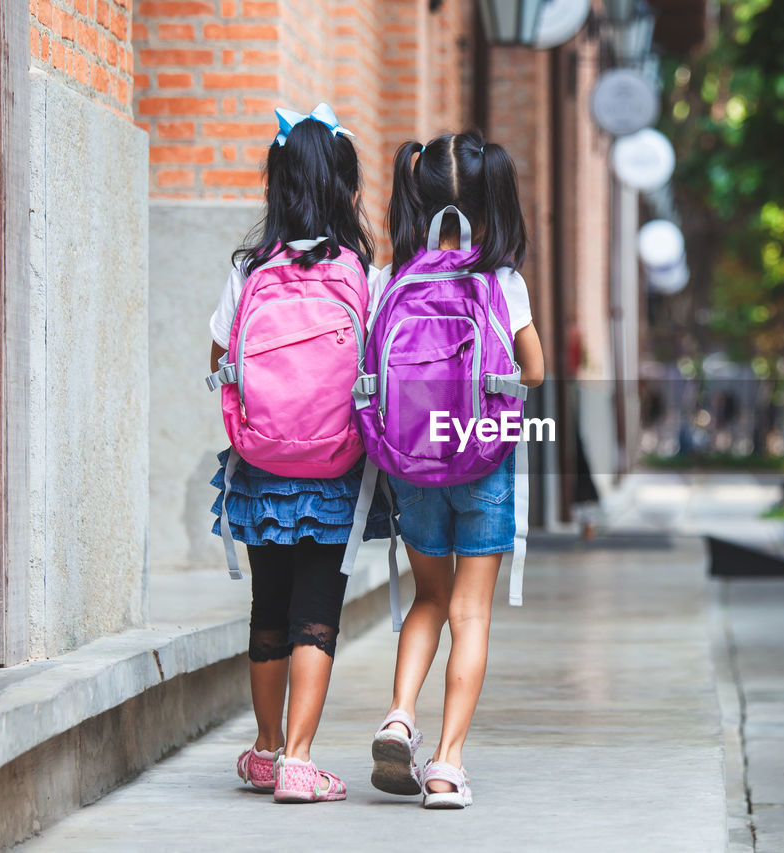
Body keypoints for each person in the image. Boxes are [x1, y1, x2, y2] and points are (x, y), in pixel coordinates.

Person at [207, 104, 392, 804]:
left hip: (260, 467)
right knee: (318, 610)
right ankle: (301, 758)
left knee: (269, 607)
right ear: (347, 190)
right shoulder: (361, 274)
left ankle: (263, 747)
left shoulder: (250, 270)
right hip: (335, 468)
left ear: (277, 186)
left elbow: (221, 358)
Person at [367, 131, 543, 809]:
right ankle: (445, 764)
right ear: (494, 199)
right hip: (483, 458)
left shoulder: (392, 279)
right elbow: (534, 370)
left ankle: (399, 713)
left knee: (428, 599)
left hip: (411, 463)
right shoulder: (502, 281)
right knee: (471, 611)